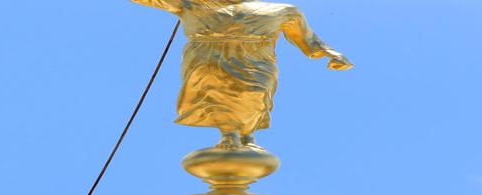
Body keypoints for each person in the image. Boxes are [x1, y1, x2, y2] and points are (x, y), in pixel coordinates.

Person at [130, 0, 353, 149]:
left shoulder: (280, 11)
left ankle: (247, 134)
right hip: (208, 61)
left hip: (256, 60)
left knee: (254, 92)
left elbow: (307, 38)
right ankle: (229, 133)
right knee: (216, 94)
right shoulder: (193, 3)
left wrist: (332, 54)